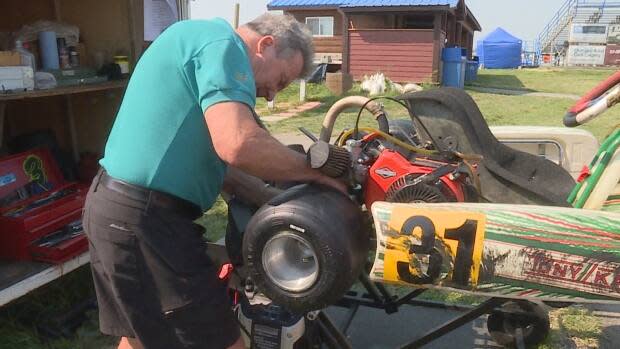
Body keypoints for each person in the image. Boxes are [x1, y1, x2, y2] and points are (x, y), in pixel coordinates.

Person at [83, 13, 345, 349]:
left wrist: (270, 197)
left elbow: (224, 168)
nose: (270, 96)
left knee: (139, 338)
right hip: (145, 220)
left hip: (115, 210)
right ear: (266, 45)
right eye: (280, 81)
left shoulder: (199, 40)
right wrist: (313, 171)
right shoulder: (222, 45)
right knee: (219, 341)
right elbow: (238, 143)